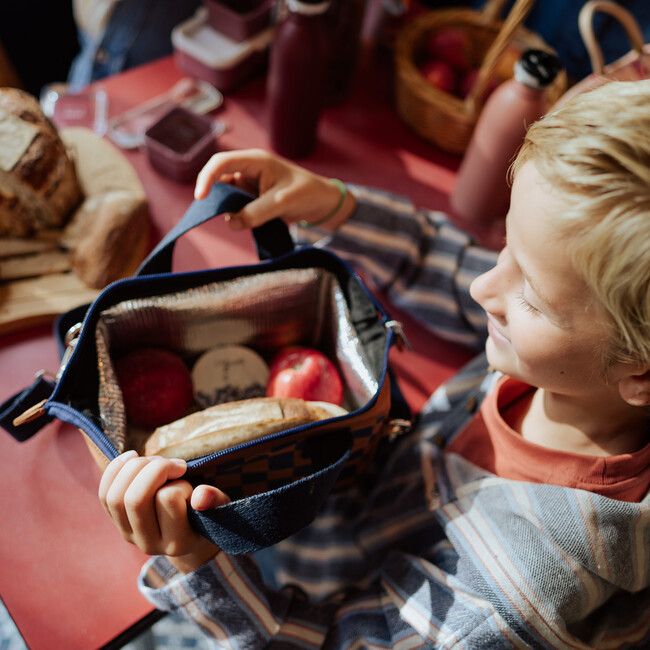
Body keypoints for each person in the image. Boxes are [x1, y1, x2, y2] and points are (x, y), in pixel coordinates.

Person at [99, 79, 650, 648]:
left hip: (337, 580)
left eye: (530, 295)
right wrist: (337, 206)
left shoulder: (510, 598)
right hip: (367, 496)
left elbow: (337, 640)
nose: (485, 285)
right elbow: (452, 261)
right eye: (506, 247)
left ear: (641, 377)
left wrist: (198, 563)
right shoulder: (584, 355)